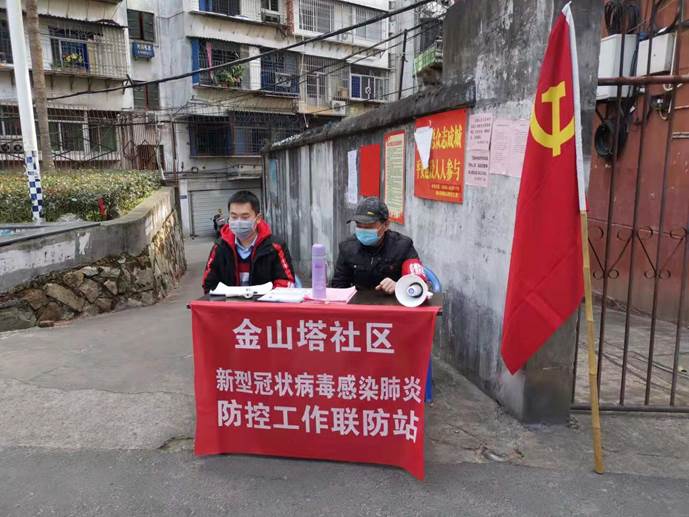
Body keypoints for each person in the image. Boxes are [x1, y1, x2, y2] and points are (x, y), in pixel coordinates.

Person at [202, 191, 295, 293]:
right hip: (229, 302)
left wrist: (265, 299)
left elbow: (286, 282)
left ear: (258, 218)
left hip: (265, 302)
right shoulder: (220, 247)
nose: (238, 222)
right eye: (234, 217)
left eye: (245, 217)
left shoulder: (275, 247)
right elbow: (209, 284)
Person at [332, 197, 426, 294]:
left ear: (386, 225)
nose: (363, 230)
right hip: (359, 300)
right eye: (359, 225)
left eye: (369, 226)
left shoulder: (403, 246)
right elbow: (338, 286)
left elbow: (419, 284)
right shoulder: (347, 247)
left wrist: (399, 285)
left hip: (393, 300)